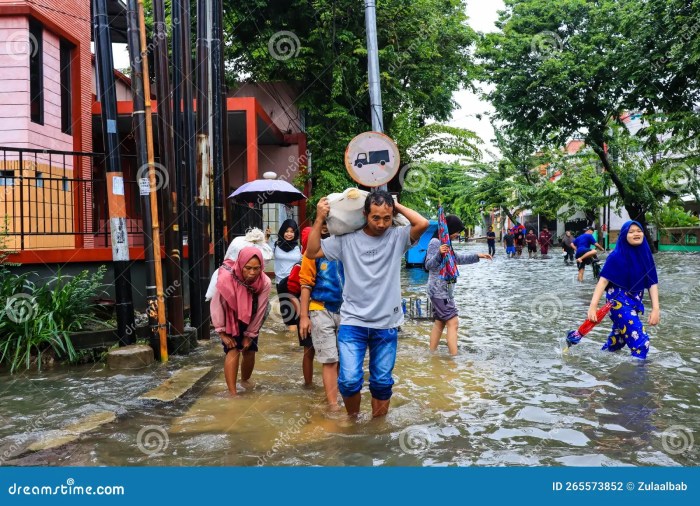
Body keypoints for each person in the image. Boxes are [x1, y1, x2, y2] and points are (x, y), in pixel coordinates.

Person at [306, 190, 429, 418]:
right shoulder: (346, 241)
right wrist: (319, 219)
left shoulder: (397, 237)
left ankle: (378, 430)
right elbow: (312, 252)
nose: (382, 224)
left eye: (387, 218)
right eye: (375, 218)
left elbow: (422, 223)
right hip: (353, 322)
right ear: (365, 214)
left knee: (382, 382)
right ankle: (353, 424)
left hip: (387, 324)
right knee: (349, 381)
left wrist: (397, 205)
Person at [585, 221, 659, 359]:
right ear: (624, 235)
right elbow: (603, 281)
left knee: (617, 341)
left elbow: (652, 282)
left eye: (639, 230)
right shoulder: (616, 256)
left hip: (635, 301)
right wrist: (593, 306)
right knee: (642, 343)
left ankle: (597, 361)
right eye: (631, 232)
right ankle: (637, 378)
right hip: (617, 300)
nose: (636, 234)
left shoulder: (646, 256)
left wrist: (655, 308)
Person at [425, 215, 491, 355]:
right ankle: (454, 360)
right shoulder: (436, 242)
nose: (458, 235)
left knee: (440, 323)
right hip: (440, 291)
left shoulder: (446, 242)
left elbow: (457, 259)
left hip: (442, 291)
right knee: (453, 322)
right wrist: (439, 254)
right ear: (449, 229)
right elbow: (428, 265)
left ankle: (431, 355)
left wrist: (478, 255)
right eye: (457, 231)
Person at [210, 247, 272, 396]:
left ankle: (245, 381)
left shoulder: (265, 282)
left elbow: (261, 310)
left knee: (249, 350)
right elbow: (217, 305)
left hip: (251, 316)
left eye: (257, 268)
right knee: (232, 349)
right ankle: (233, 393)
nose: (252, 273)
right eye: (248, 268)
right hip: (229, 316)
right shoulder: (225, 278)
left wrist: (250, 335)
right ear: (241, 265)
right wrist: (222, 332)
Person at [299, 222, 345, 410]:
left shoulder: (348, 247)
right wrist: (304, 316)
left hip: (347, 310)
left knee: (343, 358)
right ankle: (333, 405)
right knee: (330, 359)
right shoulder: (313, 252)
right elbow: (306, 284)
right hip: (320, 308)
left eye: (330, 222)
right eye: (323, 223)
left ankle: (340, 396)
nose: (326, 227)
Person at [266, 219, 302, 332]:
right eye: (287, 231)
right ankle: (292, 341)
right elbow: (265, 254)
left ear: (295, 233)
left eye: (292, 231)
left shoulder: (299, 247)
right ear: (282, 232)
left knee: (297, 310)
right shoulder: (275, 244)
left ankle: (294, 340)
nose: (289, 234)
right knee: (286, 310)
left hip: (295, 283)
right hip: (280, 283)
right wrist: (266, 238)